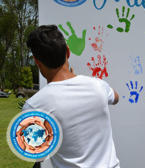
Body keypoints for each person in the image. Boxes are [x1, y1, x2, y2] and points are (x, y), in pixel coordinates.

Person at [25, 25, 120, 168]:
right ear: (68, 52)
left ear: (37, 61)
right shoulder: (98, 86)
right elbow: (116, 98)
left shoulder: (34, 106)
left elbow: (39, 154)